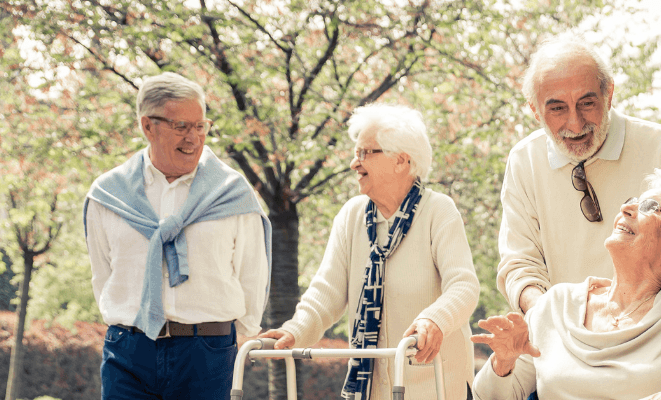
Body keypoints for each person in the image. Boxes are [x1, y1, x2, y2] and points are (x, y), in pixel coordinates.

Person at [496, 36, 661, 315]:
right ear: (535, 110)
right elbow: (520, 265)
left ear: (609, 95)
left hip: (656, 336)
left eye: (587, 103)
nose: (575, 123)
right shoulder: (524, 161)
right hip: (564, 341)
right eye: (557, 108)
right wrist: (554, 325)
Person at [255, 104, 479, 400]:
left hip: (434, 384)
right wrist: (295, 331)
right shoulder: (352, 216)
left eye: (365, 153)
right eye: (355, 153)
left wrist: (435, 320)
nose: (354, 163)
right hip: (373, 390)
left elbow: (463, 286)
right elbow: (327, 293)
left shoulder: (438, 211)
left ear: (401, 160)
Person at [472, 169, 661, 400]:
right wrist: (503, 362)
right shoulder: (556, 304)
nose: (626, 208)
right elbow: (489, 396)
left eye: (650, 207)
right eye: (633, 200)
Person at [84, 72, 271, 399]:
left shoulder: (232, 194)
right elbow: (102, 273)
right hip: (128, 349)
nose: (194, 138)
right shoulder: (108, 195)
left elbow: (252, 273)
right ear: (147, 126)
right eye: (181, 126)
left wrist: (240, 337)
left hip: (206, 352)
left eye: (200, 126)